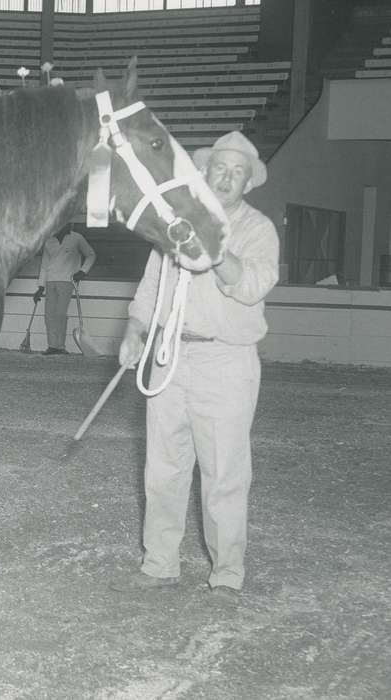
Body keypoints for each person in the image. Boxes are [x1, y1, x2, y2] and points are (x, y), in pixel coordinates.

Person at [111, 131, 280, 602]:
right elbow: (150, 286)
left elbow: (252, 286)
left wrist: (215, 250)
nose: (226, 178)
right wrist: (135, 330)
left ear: (248, 182)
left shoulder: (258, 230)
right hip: (170, 356)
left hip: (225, 360)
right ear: (204, 173)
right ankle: (159, 563)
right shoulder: (176, 224)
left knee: (224, 473)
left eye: (237, 172)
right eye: (219, 168)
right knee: (162, 468)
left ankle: (227, 573)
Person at [33, 223, 96, 355]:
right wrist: (40, 287)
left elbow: (91, 254)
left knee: (60, 314)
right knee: (49, 314)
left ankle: (60, 347)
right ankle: (52, 346)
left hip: (67, 280)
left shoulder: (77, 238)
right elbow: (44, 265)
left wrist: (82, 272)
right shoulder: (49, 240)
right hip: (50, 280)